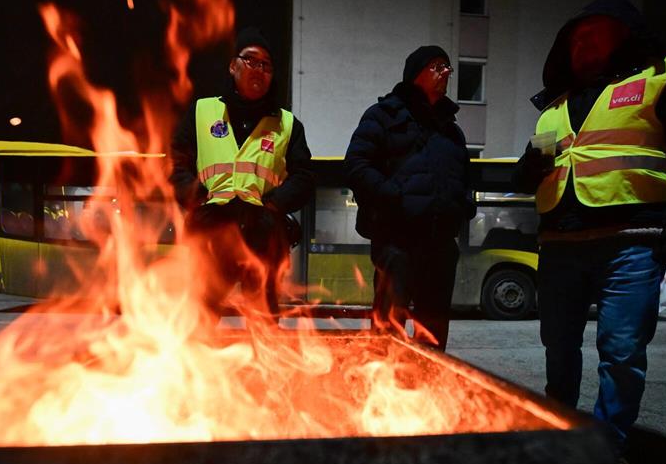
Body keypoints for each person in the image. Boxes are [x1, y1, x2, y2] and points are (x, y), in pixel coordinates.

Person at [512, 0, 666, 464]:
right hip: (561, 244)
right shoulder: (554, 106)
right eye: (575, 36)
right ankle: (560, 430)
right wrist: (527, 171)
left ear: (627, 32)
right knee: (559, 348)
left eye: (596, 31)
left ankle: (607, 449)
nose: (582, 42)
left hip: (631, 243)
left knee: (621, 351)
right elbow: (532, 169)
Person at [170, 28, 314, 315]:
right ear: (233, 65)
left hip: (263, 232)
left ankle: (266, 359)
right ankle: (195, 360)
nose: (258, 70)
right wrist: (196, 196)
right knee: (200, 316)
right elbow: (175, 165)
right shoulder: (202, 111)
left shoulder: (287, 124)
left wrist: (274, 205)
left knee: (263, 319)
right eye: (250, 61)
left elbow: (305, 177)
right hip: (212, 229)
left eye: (266, 65)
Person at [345, 46, 475, 350]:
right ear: (415, 72)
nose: (445, 73)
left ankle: (424, 393)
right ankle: (380, 392)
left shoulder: (451, 130)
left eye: (447, 67)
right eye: (436, 66)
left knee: (433, 337)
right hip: (397, 243)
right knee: (387, 333)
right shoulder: (383, 115)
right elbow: (355, 165)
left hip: (441, 246)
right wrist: (394, 197)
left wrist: (464, 205)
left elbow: (466, 177)